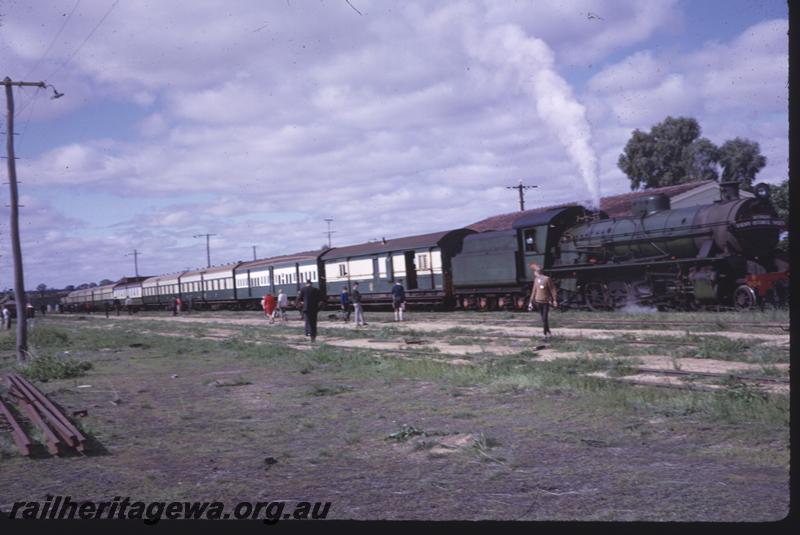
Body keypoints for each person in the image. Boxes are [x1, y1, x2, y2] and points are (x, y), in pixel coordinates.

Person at [527, 262, 558, 340]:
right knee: (543, 318)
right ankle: (548, 332)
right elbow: (534, 291)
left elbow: (552, 289)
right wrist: (530, 302)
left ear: (537, 272)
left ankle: (545, 334)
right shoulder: (536, 280)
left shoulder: (547, 279)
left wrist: (554, 300)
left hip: (545, 302)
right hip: (538, 302)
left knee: (545, 318)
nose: (534, 273)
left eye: (534, 272)